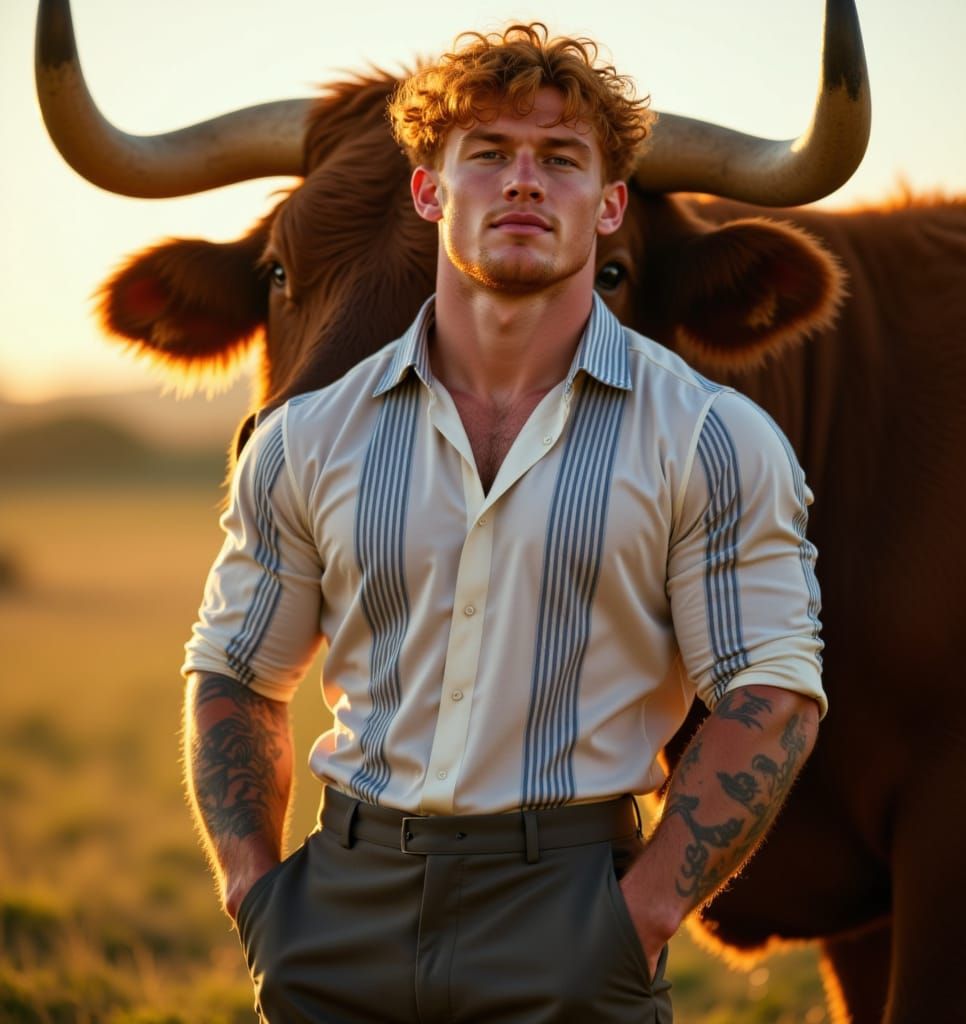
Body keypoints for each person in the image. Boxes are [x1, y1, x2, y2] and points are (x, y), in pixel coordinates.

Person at [182, 24, 825, 1023]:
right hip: (342, 897)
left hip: (566, 904)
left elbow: (772, 692)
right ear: (428, 192)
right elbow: (232, 669)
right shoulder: (305, 437)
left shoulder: (710, 437)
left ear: (611, 205)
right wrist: (258, 892)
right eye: (487, 155)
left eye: (561, 160)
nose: (523, 181)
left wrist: (638, 919)